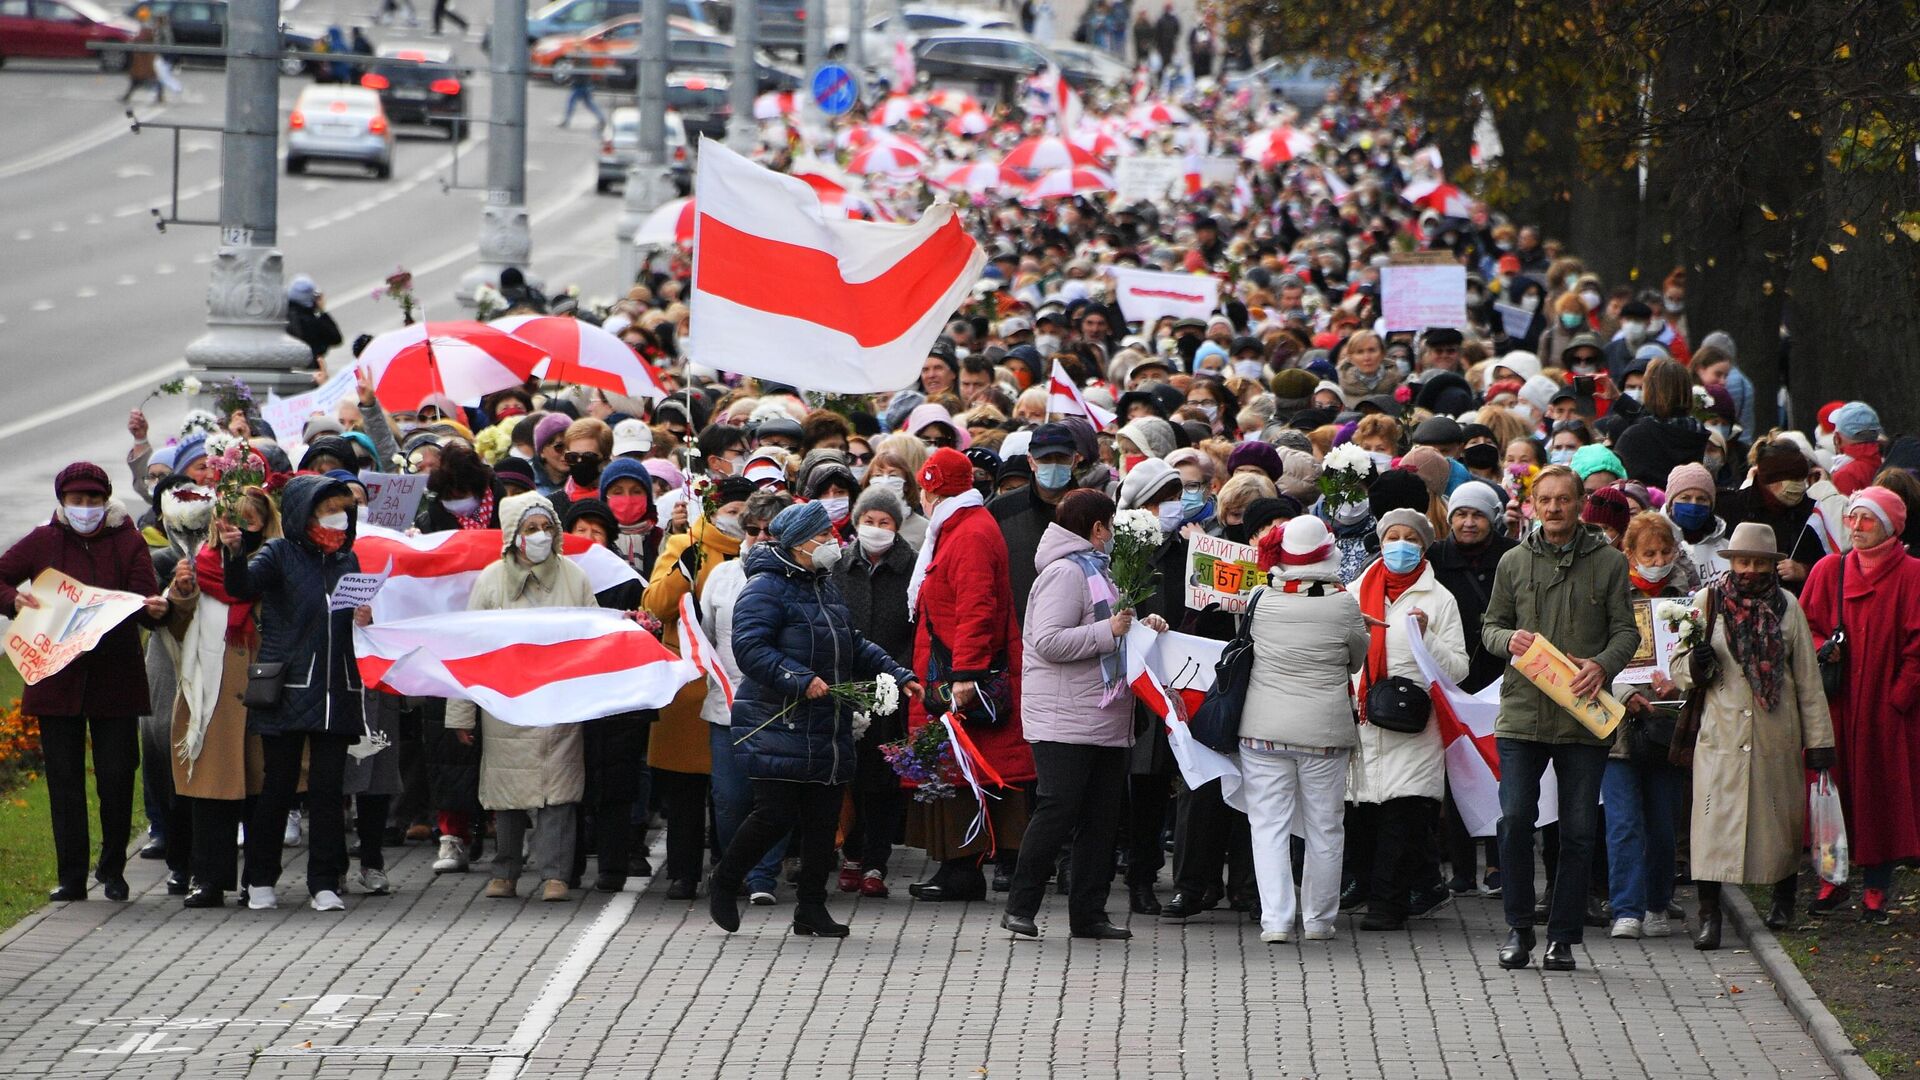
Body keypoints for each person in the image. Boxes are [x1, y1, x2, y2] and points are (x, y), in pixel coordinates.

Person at [709, 502, 919, 937]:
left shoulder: (823, 585)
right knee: (773, 815)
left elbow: (851, 641)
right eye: (823, 536)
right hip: (778, 721)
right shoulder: (764, 588)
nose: (832, 543)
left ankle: (811, 908)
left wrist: (896, 674)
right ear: (799, 542)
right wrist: (798, 678)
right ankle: (726, 881)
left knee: (824, 822)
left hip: (826, 723)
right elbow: (750, 648)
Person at [1480, 464, 1640, 972]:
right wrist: (1509, 641)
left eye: (1563, 500)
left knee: (1576, 830)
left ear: (1578, 504)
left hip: (1582, 716)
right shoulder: (1512, 561)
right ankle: (1518, 928)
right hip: (1523, 715)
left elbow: (1627, 632)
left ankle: (1563, 938)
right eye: (1544, 500)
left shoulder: (1610, 562)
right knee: (1515, 821)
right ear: (1531, 504)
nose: (1553, 509)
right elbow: (1490, 626)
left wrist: (1603, 664)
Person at [1002, 489, 1166, 941]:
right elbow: (1049, 641)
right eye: (1109, 526)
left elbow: (1116, 631)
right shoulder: (1064, 573)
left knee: (1101, 819)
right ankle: (1021, 905)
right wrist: (1109, 630)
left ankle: (1089, 914)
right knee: (1058, 810)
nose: (1112, 534)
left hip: (1106, 715)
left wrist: (1142, 627)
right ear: (1097, 528)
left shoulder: (1103, 570)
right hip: (1064, 718)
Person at [0, 463, 168, 902]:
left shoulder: (128, 540)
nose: (86, 509)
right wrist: (12, 599)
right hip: (57, 679)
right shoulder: (43, 540)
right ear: (63, 502)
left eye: (94, 500)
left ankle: (113, 870)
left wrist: (147, 608)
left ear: (106, 501)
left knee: (116, 777)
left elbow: (144, 593)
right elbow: (0, 575)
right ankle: (71, 876)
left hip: (115, 679)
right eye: (77, 501)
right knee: (64, 781)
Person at [1671, 522, 1837, 948]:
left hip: (1775, 733)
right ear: (1732, 562)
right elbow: (1676, 668)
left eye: (1759, 562)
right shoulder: (1707, 602)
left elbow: (1807, 680)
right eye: (1743, 561)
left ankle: (1783, 899)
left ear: (1771, 565)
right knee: (1711, 828)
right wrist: (1696, 663)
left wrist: (1819, 742)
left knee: (1779, 823)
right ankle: (1710, 917)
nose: (1749, 569)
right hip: (1720, 735)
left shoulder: (1788, 607)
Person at [216, 474, 368, 913]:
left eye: (343, 512)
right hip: (288, 687)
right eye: (327, 511)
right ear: (305, 514)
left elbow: (349, 616)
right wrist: (234, 555)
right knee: (278, 789)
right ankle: (260, 880)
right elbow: (241, 587)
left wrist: (364, 616)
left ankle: (324, 882)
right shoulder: (280, 552)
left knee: (326, 792)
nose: (337, 520)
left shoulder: (347, 559)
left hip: (335, 688)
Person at [445, 493, 593, 902]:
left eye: (547, 528)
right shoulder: (491, 580)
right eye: (531, 529)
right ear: (513, 535)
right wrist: (461, 714)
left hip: (560, 702)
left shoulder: (574, 577)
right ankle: (505, 871)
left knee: (559, 794)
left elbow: (594, 638)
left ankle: (555, 874)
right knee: (506, 794)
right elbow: (469, 648)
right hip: (504, 703)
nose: (540, 536)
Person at [904, 448, 1035, 901]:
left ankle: (965, 869)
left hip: (961, 672)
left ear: (933, 490)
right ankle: (959, 867)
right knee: (959, 770)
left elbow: (977, 606)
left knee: (969, 771)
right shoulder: (959, 527)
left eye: (926, 489)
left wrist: (966, 674)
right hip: (950, 663)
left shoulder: (969, 532)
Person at [1238, 516, 1369, 943]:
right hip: (1324, 733)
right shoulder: (1344, 603)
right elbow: (1355, 660)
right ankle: (1318, 920)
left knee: (1268, 825)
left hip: (1263, 728)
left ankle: (1275, 920)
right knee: (1325, 827)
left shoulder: (1259, 598)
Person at [1801, 487, 1920, 925]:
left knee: (1881, 797)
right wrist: (1821, 650)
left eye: (1866, 519)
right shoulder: (1830, 569)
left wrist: (1898, 699)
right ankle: (1831, 878)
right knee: (1831, 792)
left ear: (1889, 525)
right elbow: (1806, 628)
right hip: (1835, 704)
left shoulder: (1912, 575)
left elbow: (1917, 647)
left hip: (1885, 712)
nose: (1855, 527)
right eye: (1852, 517)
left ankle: (1876, 889)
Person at [1347, 509, 1469, 931]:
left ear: (1423, 545)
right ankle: (1397, 889)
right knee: (1366, 818)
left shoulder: (1439, 599)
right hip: (1364, 724)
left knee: (1403, 816)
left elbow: (1458, 668)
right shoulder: (1354, 591)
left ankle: (1388, 904)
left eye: (1410, 538)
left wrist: (1427, 635)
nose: (1400, 545)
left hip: (1415, 727)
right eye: (1391, 536)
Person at [163, 487, 278, 907]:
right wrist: (181, 594)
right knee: (212, 792)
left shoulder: (274, 566)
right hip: (211, 698)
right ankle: (209, 879)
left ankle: (259, 879)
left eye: (250, 522)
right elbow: (173, 630)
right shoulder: (201, 568)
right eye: (233, 521)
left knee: (261, 793)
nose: (240, 531)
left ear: (264, 525)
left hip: (265, 695)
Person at [642, 475, 755, 899]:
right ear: (712, 511)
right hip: (689, 686)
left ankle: (732, 867)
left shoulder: (755, 553)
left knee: (731, 791)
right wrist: (682, 571)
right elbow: (653, 605)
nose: (737, 520)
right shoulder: (685, 544)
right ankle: (683, 872)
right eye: (730, 512)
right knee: (685, 790)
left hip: (734, 685)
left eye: (745, 514)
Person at [1601, 512, 1698, 940]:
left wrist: (1680, 679)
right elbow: (1594, 654)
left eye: (1665, 552)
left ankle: (1658, 903)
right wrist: (1625, 693)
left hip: (1668, 724)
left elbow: (1703, 656)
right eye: (1649, 553)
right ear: (1630, 555)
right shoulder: (1611, 594)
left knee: (1663, 824)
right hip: (1619, 728)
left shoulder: (1690, 596)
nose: (1658, 560)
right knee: (1623, 823)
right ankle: (1626, 907)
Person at [697, 490, 792, 906]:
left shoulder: (799, 577)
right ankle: (733, 869)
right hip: (728, 705)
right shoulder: (721, 576)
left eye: (768, 531)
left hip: (778, 706)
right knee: (730, 798)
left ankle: (763, 876)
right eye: (751, 530)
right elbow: (704, 629)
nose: (758, 538)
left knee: (773, 798)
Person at [832, 485, 918, 898]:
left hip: (892, 687)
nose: (876, 528)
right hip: (846, 686)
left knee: (882, 778)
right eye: (869, 521)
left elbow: (918, 626)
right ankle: (850, 853)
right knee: (847, 774)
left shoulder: (911, 567)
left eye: (884, 522)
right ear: (856, 522)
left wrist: (902, 674)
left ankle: (876, 862)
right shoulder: (838, 567)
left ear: (897, 527)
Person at [1431, 481, 1516, 895]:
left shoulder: (1510, 556)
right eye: (1461, 515)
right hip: (1453, 680)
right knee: (1458, 773)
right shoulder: (1436, 558)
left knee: (1500, 771)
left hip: (1500, 676)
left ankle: (1498, 864)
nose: (1468, 523)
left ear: (1492, 518)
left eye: (1477, 515)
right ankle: (1462, 868)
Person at [286, 275, 342, 367]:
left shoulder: (282, 315)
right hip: (310, 368)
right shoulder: (311, 321)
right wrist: (321, 312)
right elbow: (336, 338)